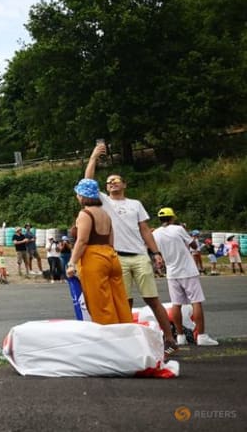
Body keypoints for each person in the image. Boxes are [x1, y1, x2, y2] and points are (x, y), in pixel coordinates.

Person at [85, 144, 177, 352]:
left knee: (152, 299)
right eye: (109, 182)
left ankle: (170, 339)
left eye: (116, 180)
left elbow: (144, 230)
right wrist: (93, 158)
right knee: (123, 301)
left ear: (124, 184)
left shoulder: (135, 204)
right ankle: (126, 343)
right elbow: (88, 181)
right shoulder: (104, 201)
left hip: (139, 254)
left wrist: (156, 253)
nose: (112, 183)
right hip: (117, 256)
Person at [65, 178, 132, 325]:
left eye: (78, 194)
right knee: (119, 301)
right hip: (111, 256)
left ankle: (109, 338)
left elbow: (82, 241)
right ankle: (126, 333)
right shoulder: (105, 215)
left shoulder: (85, 214)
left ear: (82, 196)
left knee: (101, 304)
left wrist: (72, 263)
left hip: (94, 258)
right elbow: (111, 240)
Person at [152, 207, 218, 346]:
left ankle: (180, 336)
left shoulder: (156, 233)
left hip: (172, 272)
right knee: (196, 301)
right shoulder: (178, 229)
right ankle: (201, 336)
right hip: (187, 270)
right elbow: (193, 244)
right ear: (172, 218)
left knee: (177, 304)